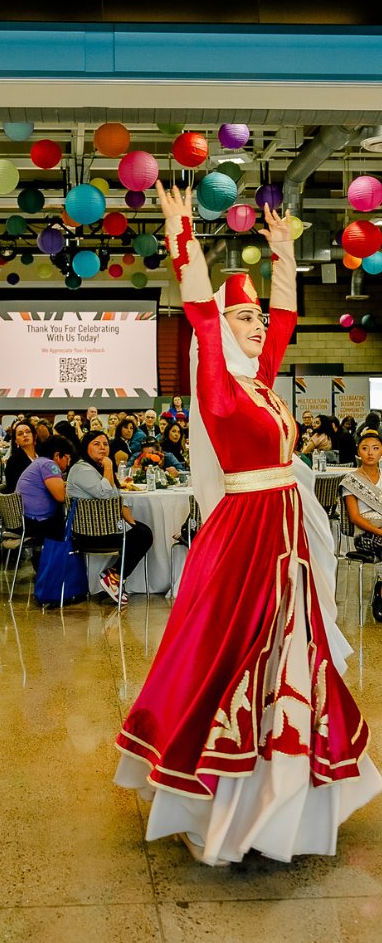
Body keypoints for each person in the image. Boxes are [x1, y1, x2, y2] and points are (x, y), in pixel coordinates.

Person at [114, 182, 380, 867]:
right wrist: (183, 239)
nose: (257, 325)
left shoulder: (261, 382)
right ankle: (228, 801)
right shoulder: (219, 384)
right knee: (230, 660)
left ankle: (282, 797)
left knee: (292, 660)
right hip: (244, 536)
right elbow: (202, 311)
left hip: (284, 536)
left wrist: (285, 253)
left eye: (256, 316)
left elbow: (286, 324)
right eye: (245, 318)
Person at [65, 430, 153, 603]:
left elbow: (116, 495)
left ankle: (113, 577)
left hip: (102, 529)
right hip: (88, 534)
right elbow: (105, 494)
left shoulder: (94, 468)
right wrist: (108, 466)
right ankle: (114, 576)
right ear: (86, 447)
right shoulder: (81, 469)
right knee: (143, 535)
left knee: (142, 531)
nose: (102, 448)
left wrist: (128, 514)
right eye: (96, 444)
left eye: (105, 444)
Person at [339, 428, 382, 621]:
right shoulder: (351, 480)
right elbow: (355, 518)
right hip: (364, 533)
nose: (370, 452)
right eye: (365, 448)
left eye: (375, 448)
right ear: (358, 452)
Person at [14, 434, 74, 546]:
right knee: (71, 520)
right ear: (57, 455)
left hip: (23, 518)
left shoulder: (39, 462)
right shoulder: (49, 465)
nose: (69, 463)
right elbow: (62, 497)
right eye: (67, 458)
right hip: (36, 522)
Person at [3, 420, 38, 494]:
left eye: (28, 432)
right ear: (16, 441)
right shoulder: (14, 461)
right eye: (20, 434)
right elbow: (13, 488)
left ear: (34, 435)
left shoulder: (42, 455)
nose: (25, 435)